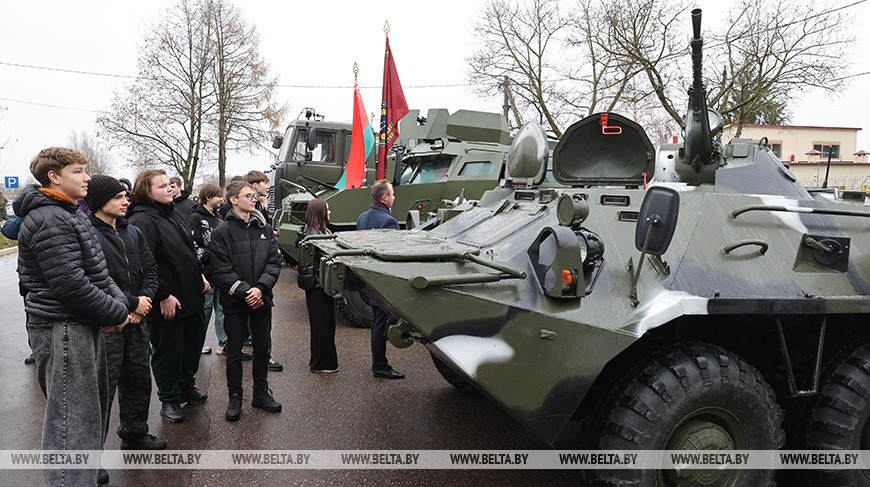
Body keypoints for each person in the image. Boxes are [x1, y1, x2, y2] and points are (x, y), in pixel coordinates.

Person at [15, 147, 130, 486]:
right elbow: (71, 284)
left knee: (86, 419)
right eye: (78, 171)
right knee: (72, 424)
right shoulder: (50, 218)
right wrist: (117, 311)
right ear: (54, 177)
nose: (87, 177)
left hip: (78, 324)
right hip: (62, 327)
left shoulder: (67, 212)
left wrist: (118, 306)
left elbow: (98, 271)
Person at [85, 175, 167, 454]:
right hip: (108, 325)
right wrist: (130, 304)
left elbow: (150, 270)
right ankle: (91, 457)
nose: (126, 201)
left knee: (138, 380)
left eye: (126, 196)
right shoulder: (88, 234)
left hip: (136, 321)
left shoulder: (132, 231)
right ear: (99, 202)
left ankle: (134, 433)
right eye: (118, 197)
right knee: (100, 392)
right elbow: (94, 280)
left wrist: (143, 302)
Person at [128, 169, 210, 423]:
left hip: (191, 293)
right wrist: (163, 294)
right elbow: (146, 263)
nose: (169, 189)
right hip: (168, 299)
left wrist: (200, 276)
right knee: (168, 351)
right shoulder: (142, 220)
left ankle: (186, 386)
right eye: (162, 186)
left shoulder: (171, 212)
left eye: (169, 185)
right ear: (146, 191)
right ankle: (170, 399)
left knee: (191, 345)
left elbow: (187, 250)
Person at [210, 180, 283, 421]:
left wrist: (260, 289)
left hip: (262, 300)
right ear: (233, 200)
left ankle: (261, 394)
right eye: (248, 195)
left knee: (262, 348)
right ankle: (235, 397)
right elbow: (220, 269)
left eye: (254, 195)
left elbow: (274, 261)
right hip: (235, 303)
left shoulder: (264, 228)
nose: (254, 199)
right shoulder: (222, 232)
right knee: (234, 352)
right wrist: (245, 292)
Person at [356, 179, 404, 379]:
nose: (394, 197)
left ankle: (379, 363)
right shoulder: (388, 222)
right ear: (385, 198)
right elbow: (395, 255)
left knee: (378, 322)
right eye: (392, 194)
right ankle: (380, 366)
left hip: (367, 280)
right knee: (380, 324)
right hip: (382, 283)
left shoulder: (362, 217)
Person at [188, 183, 239, 358]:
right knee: (205, 309)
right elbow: (195, 245)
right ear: (208, 197)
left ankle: (223, 343)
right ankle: (196, 343)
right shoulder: (195, 218)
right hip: (206, 272)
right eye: (218, 196)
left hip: (220, 271)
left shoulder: (218, 217)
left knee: (222, 308)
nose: (221, 199)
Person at [298, 199, 338, 373]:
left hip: (318, 285)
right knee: (323, 325)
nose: (330, 213)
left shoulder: (314, 232)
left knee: (323, 325)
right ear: (321, 213)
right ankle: (323, 363)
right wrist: (319, 284)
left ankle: (321, 361)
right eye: (327, 210)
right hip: (318, 286)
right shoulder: (314, 236)